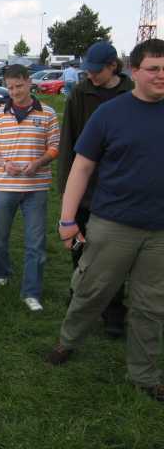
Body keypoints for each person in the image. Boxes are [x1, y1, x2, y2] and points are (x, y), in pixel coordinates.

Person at [47, 39, 164, 402]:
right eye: (154, 69)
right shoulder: (111, 113)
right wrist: (68, 219)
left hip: (160, 232)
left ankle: (145, 375)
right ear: (134, 70)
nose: (162, 75)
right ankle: (68, 341)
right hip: (113, 224)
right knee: (91, 290)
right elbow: (81, 166)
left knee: (152, 304)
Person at [57, 41, 134, 337]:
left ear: (113, 66)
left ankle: (114, 312)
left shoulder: (131, 94)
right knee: (80, 251)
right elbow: (69, 141)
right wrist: (66, 190)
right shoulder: (80, 93)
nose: (91, 77)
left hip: (118, 193)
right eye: (87, 71)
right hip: (83, 191)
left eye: (96, 71)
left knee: (116, 257)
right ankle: (77, 301)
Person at [0, 64, 60, 312]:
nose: (14, 92)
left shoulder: (48, 114)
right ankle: (1, 272)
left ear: (29, 83)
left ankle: (31, 292)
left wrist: (39, 162)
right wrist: (3, 163)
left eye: (19, 86)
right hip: (5, 186)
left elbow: (55, 148)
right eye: (10, 87)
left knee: (35, 243)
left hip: (36, 188)